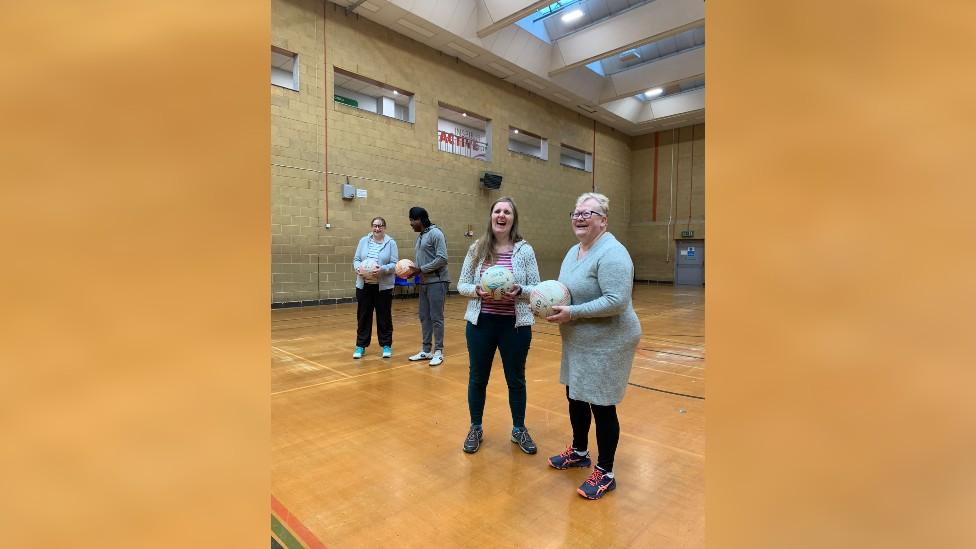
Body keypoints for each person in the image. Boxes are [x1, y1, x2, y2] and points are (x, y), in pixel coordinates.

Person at [544, 192, 641, 500]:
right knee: (576, 396)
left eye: (589, 212)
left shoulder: (613, 253)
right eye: (576, 212)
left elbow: (616, 301)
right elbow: (561, 291)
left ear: (603, 220)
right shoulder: (574, 251)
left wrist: (572, 313)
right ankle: (580, 451)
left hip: (609, 341)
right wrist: (525, 292)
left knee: (601, 404)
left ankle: (606, 472)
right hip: (579, 339)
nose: (580, 217)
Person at [456, 197, 541, 455]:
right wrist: (477, 291)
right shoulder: (477, 249)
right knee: (477, 378)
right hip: (481, 324)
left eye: (507, 212)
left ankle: (518, 429)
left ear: (513, 219)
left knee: (516, 379)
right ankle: (475, 427)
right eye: (497, 211)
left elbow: (536, 288)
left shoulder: (524, 251)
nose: (501, 215)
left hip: (515, 325)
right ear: (491, 216)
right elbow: (461, 285)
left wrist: (520, 290)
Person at [404, 206, 449, 367]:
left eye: (412, 220)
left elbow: (442, 259)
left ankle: (438, 351)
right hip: (423, 282)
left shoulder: (436, 233)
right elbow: (423, 260)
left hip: (437, 281)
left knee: (436, 317)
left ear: (420, 220)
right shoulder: (421, 236)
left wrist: (420, 269)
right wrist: (412, 271)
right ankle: (426, 350)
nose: (410, 223)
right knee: (424, 316)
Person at [352, 217, 399, 359]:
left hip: (382, 288)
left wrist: (382, 269)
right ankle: (360, 346)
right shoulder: (363, 241)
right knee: (363, 316)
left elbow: (394, 264)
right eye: (374, 226)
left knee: (384, 317)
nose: (377, 229)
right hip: (364, 286)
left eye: (380, 226)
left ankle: (386, 346)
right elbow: (356, 260)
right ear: (371, 227)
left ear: (384, 227)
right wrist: (358, 269)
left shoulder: (391, 243)